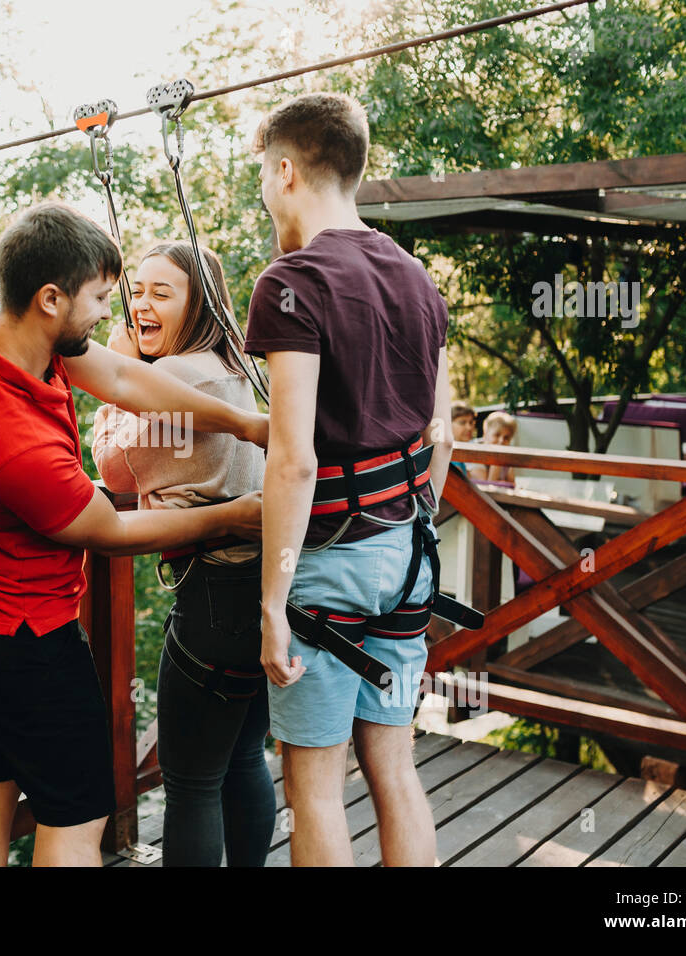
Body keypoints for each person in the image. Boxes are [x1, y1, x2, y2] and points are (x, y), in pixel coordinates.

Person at [0, 201, 268, 867]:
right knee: (78, 819)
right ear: (51, 298)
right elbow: (108, 529)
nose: (113, 312)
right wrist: (232, 516)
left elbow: (113, 374)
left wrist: (244, 423)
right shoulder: (12, 444)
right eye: (103, 297)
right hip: (21, 638)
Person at [246, 92, 452, 867]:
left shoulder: (293, 282)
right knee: (395, 771)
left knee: (316, 790)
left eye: (267, 175)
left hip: (326, 569)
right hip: (407, 558)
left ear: (287, 171)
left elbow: (293, 458)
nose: (266, 189)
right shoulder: (416, 277)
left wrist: (271, 603)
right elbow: (443, 437)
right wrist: (403, 519)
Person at [91, 240, 274, 867]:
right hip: (264, 591)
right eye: (136, 291)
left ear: (199, 304)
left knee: (192, 782)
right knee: (245, 757)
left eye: (161, 293)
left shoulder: (172, 376)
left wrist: (116, 374)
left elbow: (113, 470)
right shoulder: (240, 368)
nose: (141, 304)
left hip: (212, 599)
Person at [469, 410, 517, 482]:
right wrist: (497, 462)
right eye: (497, 435)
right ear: (485, 433)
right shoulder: (473, 450)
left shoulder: (508, 453)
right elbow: (486, 489)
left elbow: (511, 484)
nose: (501, 440)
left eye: (506, 437)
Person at [449, 401, 476, 480]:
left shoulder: (459, 455)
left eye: (471, 423)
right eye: (462, 422)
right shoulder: (449, 456)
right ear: (449, 423)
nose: (469, 427)